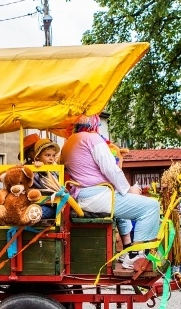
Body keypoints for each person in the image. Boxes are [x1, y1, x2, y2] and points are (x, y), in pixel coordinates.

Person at [60, 114, 160, 270]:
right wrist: (129, 189)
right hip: (98, 195)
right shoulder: (92, 139)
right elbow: (111, 168)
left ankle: (128, 251)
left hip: (82, 196)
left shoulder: (68, 143)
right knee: (151, 206)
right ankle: (134, 256)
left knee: (131, 208)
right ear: (94, 125)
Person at [31, 138, 61, 219]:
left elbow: (53, 184)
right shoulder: (36, 169)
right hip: (36, 202)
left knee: (42, 212)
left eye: (53, 155)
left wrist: (43, 170)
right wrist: (39, 167)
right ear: (37, 157)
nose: (51, 158)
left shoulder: (55, 170)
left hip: (50, 204)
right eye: (47, 155)